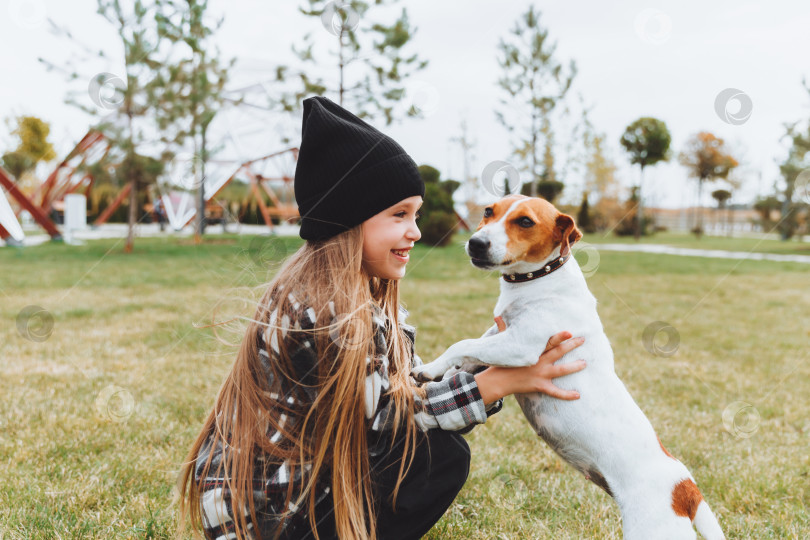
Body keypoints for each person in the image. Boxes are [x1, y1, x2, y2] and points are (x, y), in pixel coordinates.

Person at [177, 96, 587, 540]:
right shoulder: (329, 310)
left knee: (435, 450)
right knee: (438, 459)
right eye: (399, 215)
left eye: (415, 215)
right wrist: (501, 381)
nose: (415, 230)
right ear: (349, 220)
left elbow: (402, 390)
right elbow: (392, 417)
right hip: (270, 521)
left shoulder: (353, 296)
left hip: (286, 504)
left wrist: (482, 365)